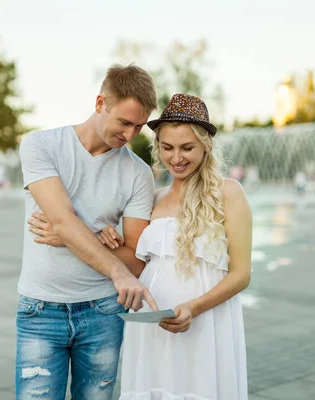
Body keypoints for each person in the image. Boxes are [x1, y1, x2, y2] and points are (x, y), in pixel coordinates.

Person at [17, 64, 160, 400]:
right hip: (41, 309)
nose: (130, 135)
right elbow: (63, 220)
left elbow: (137, 261)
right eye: (124, 122)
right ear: (100, 103)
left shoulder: (139, 175)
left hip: (103, 312)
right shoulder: (41, 145)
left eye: (139, 126)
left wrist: (85, 239)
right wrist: (113, 266)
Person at [101, 94, 252, 399]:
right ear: (157, 147)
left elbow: (241, 274)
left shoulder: (228, 193)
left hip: (204, 322)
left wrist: (193, 308)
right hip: (151, 325)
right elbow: (137, 264)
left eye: (187, 148)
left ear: (205, 146)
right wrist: (104, 240)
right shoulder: (153, 198)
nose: (176, 157)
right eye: (167, 147)